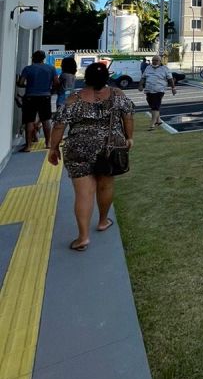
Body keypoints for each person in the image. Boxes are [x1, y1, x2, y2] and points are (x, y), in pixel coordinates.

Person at [48, 62, 135, 252]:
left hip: (78, 148)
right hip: (110, 147)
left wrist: (53, 148)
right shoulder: (117, 94)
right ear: (107, 77)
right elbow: (128, 116)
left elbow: (60, 125)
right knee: (105, 185)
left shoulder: (74, 98)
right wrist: (129, 138)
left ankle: (83, 237)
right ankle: (103, 221)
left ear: (86, 78)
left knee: (83, 193)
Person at [16, 49, 58, 152]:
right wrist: (50, 91)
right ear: (43, 58)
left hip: (30, 97)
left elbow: (21, 83)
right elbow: (56, 83)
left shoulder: (28, 69)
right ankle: (48, 143)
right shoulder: (51, 68)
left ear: (33, 58)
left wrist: (27, 85)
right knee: (46, 120)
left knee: (29, 121)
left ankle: (28, 146)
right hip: (45, 97)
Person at [139, 53, 176, 129]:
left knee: (155, 107)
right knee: (152, 105)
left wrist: (173, 88)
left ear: (160, 61)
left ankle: (152, 124)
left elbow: (170, 79)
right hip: (149, 90)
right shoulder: (148, 68)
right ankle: (158, 120)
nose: (154, 62)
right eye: (153, 60)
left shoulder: (165, 69)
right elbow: (143, 78)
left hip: (159, 90)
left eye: (156, 60)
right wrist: (140, 85)